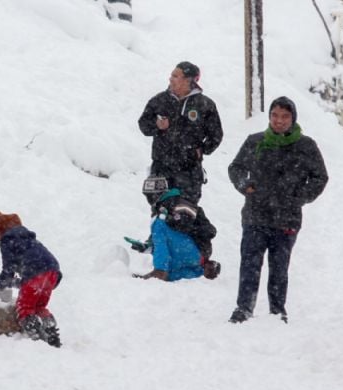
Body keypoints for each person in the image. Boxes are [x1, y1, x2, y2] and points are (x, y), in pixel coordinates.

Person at [227, 96, 328, 324]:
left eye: (284, 116)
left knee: (279, 267)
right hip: (255, 214)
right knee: (250, 264)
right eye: (274, 115)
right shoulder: (256, 141)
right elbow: (236, 167)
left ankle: (277, 310)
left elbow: (320, 177)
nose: (279, 121)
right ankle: (244, 307)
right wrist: (245, 185)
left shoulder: (305, 146)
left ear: (293, 118)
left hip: (287, 218)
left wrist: (299, 197)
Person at [138, 61, 223, 204]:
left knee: (185, 214)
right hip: (161, 169)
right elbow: (143, 125)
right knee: (161, 214)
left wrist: (202, 150)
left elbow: (216, 134)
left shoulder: (205, 105)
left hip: (189, 171)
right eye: (171, 75)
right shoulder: (159, 100)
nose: (170, 78)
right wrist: (157, 125)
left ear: (188, 80)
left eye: (176, 76)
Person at [0, 211, 63, 348]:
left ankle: (36, 339)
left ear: (0, 230)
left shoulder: (8, 239)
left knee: (25, 308)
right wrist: (16, 283)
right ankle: (52, 334)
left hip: (36, 273)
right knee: (39, 307)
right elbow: (29, 275)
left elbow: (8, 272)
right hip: (53, 272)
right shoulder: (28, 238)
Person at [131, 182, 221, 282]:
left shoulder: (178, 201)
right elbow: (163, 240)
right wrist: (148, 247)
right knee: (170, 267)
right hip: (192, 262)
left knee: (158, 224)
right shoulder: (161, 206)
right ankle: (158, 278)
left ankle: (160, 271)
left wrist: (173, 220)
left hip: (195, 250)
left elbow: (209, 230)